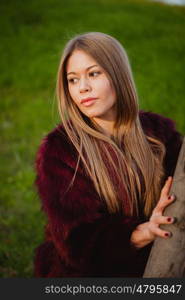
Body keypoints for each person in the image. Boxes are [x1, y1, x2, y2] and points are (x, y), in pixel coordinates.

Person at [33, 32, 183, 277]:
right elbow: (77, 241)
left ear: (118, 74)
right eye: (72, 80)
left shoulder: (160, 134)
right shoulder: (61, 150)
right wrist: (143, 232)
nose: (83, 88)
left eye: (93, 73)